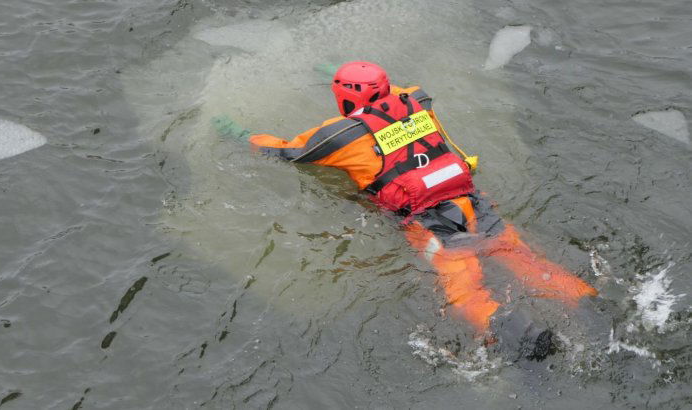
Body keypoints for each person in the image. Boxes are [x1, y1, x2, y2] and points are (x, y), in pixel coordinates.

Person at [214, 61, 597, 338]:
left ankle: (519, 337)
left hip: (428, 220)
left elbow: (286, 153)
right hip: (471, 198)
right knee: (522, 257)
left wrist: (235, 132)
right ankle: (588, 303)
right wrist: (329, 68)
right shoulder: (417, 100)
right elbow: (394, 92)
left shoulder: (340, 136)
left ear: (343, 101)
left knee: (462, 286)